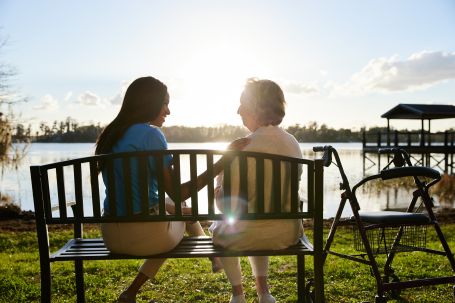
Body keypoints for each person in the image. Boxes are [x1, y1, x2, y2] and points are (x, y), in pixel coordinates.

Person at [95, 76, 247, 303]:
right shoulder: (151, 135)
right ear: (150, 103)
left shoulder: (111, 134)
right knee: (181, 208)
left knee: (178, 209)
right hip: (144, 235)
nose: (168, 111)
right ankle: (213, 257)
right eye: (165, 103)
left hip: (111, 234)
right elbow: (179, 192)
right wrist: (221, 164)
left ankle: (131, 293)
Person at [210, 78, 304, 303]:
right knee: (255, 222)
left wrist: (217, 189)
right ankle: (264, 293)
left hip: (241, 237)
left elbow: (227, 206)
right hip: (286, 233)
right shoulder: (293, 143)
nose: (238, 110)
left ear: (255, 107)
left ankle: (238, 296)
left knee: (228, 224)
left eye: (242, 103)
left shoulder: (241, 147)